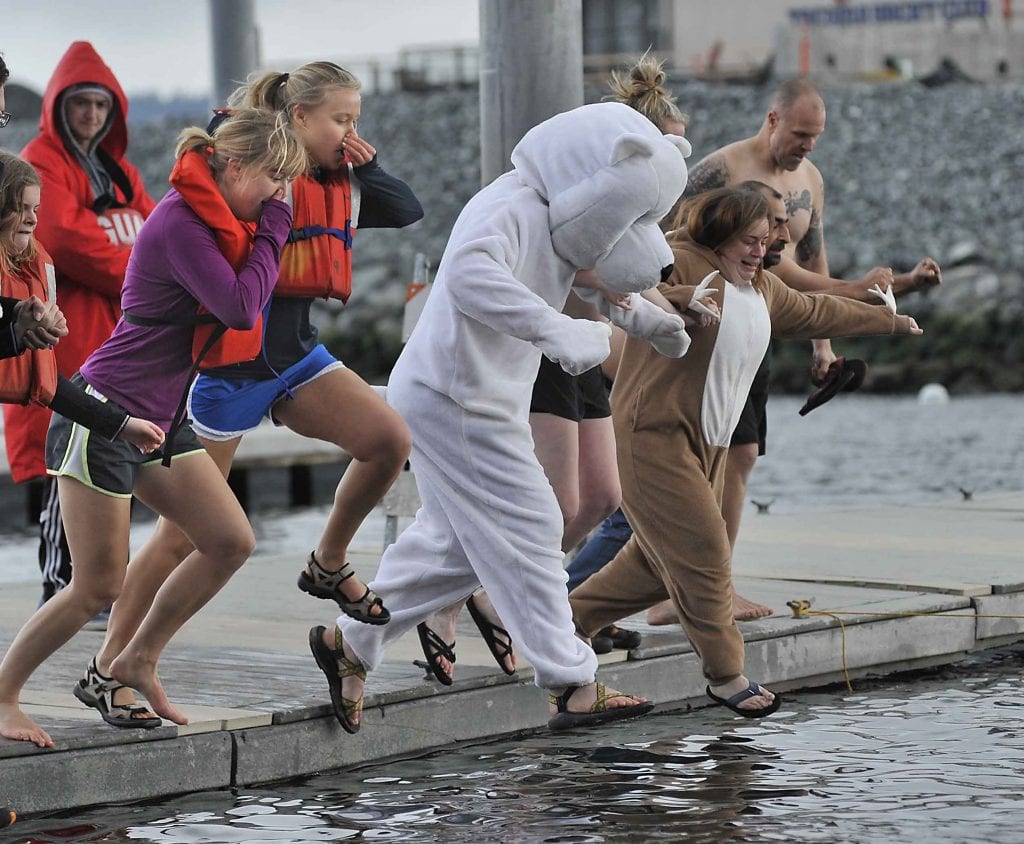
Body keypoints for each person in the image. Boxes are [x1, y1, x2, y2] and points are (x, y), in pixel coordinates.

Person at [308, 102, 694, 735]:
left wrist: (650, 321)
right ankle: (572, 680)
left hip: (478, 395)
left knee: (455, 545)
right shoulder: (508, 207)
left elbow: (594, 280)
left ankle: (347, 645)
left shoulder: (563, 219)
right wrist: (558, 332)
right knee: (536, 521)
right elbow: (467, 276)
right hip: (452, 395)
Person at [89, 64, 423, 703]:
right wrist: (267, 153)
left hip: (297, 359)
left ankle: (327, 561)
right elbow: (221, 143)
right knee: (180, 537)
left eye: (356, 119)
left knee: (387, 439)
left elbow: (408, 208)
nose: (352, 131)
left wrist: (368, 164)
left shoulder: (336, 181)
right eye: (342, 120)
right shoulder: (257, 166)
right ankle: (109, 667)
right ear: (298, 118)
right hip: (229, 374)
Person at [0, 108, 307, 747]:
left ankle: (135, 659)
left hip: (161, 418)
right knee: (96, 585)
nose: (279, 195)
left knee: (229, 540)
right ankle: (2, 696)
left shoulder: (223, 221)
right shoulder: (179, 221)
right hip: (105, 412)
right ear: (238, 165)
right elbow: (240, 305)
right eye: (274, 179)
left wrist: (270, 220)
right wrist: (278, 227)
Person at [568, 187, 923, 717]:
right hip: (651, 434)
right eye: (750, 240)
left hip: (706, 443)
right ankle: (726, 675)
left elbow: (815, 311)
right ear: (723, 234)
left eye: (766, 240)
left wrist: (888, 320)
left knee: (650, 565)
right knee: (708, 552)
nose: (762, 249)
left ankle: (562, 626)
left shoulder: (763, 287)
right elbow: (628, 283)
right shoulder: (681, 259)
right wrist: (682, 295)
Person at [413, 54, 691, 683]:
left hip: (578, 348)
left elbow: (622, 275)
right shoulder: (576, 190)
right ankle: (458, 608)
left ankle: (514, 603)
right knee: (552, 504)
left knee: (599, 496)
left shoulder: (635, 202)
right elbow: (593, 270)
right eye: (665, 148)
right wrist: (653, 306)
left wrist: (667, 309)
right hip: (537, 350)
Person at [650, 80, 942, 626]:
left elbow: (811, 261)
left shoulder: (810, 181)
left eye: (816, 137)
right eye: (801, 134)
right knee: (713, 455)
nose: (808, 146)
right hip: (705, 325)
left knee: (741, 455)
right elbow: (665, 243)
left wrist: (823, 347)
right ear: (772, 119)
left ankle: (706, 584)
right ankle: (698, 589)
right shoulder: (721, 171)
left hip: (759, 325)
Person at [4, 42, 157, 611]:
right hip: (66, 344)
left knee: (106, 469)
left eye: (101, 104)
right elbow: (71, 244)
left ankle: (91, 598)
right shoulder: (39, 162)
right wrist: (147, 281)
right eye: (80, 103)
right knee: (60, 471)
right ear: (59, 106)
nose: (91, 114)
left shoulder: (121, 171)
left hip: (116, 342)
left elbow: (152, 234)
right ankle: (56, 599)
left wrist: (140, 271)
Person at [0, 151, 164, 451]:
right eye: (19, 208)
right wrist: (15, 332)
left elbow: (49, 382)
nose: (33, 219)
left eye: (36, 208)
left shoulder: (28, 274)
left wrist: (120, 425)